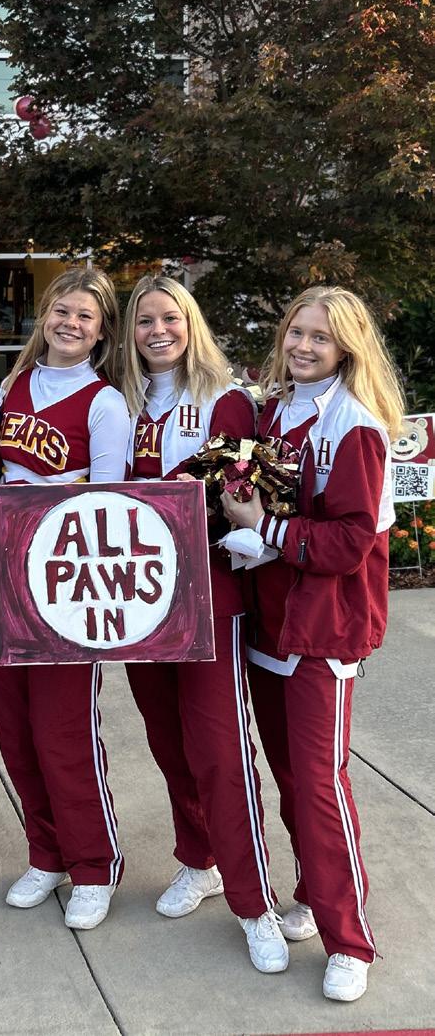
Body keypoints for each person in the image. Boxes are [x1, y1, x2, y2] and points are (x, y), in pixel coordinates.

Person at [223, 285, 404, 1002]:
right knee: (293, 780)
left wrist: (263, 529)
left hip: (321, 631)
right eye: (296, 331)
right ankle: (311, 891)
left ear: (345, 348)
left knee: (322, 785)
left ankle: (348, 939)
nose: (303, 345)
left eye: (319, 337)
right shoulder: (274, 411)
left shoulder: (355, 425)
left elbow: (351, 542)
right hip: (270, 624)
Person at [122, 275, 287, 974]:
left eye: (170, 317)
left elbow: (242, 496)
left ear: (190, 323)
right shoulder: (119, 400)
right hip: (135, 603)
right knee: (168, 743)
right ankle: (200, 858)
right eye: (144, 320)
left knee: (219, 752)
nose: (157, 330)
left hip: (208, 599)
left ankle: (255, 903)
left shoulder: (227, 399)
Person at [0, 266, 129, 931]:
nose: (69, 323)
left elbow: (107, 504)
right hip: (2, 579)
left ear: (101, 333)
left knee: (63, 734)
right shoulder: (12, 386)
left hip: (64, 584)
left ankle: (94, 865)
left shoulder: (104, 402)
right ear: (44, 315)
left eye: (84, 317)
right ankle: (47, 854)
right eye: (61, 311)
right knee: (15, 732)